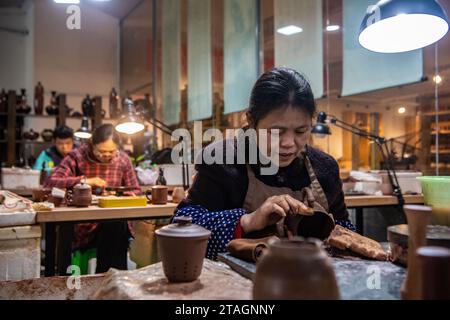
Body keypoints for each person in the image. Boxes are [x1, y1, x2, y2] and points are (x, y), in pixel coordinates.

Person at [175, 67, 355, 260]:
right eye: (275, 131)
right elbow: (181, 228)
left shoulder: (324, 168)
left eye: (301, 131)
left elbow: (346, 228)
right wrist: (248, 221)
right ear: (251, 121)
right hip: (235, 285)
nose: (288, 143)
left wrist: (322, 224)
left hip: (309, 280)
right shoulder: (221, 160)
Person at [45, 124, 141, 273]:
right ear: (91, 145)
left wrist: (117, 196)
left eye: (111, 151)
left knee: (117, 222)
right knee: (65, 228)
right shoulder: (77, 156)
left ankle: (111, 281)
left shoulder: (123, 160)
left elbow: (136, 190)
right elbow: (50, 182)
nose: (107, 155)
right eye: (101, 151)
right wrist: (85, 181)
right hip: (82, 225)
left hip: (111, 224)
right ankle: (67, 282)